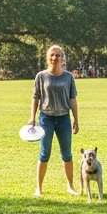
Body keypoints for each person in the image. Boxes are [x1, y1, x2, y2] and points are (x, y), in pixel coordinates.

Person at [28, 45, 79, 195]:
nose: (55, 58)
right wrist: (32, 118)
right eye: (52, 55)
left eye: (58, 55)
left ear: (62, 58)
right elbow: (35, 98)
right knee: (44, 153)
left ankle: (70, 186)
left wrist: (76, 119)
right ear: (47, 57)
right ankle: (39, 188)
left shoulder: (68, 77)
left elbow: (73, 98)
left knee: (67, 154)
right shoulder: (41, 76)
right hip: (46, 119)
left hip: (64, 118)